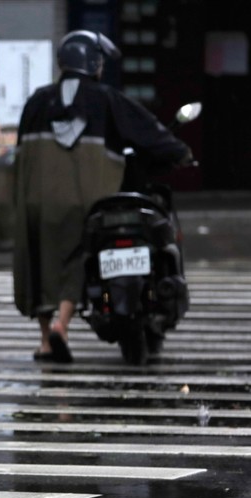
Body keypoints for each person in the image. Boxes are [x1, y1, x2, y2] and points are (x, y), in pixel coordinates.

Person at [12, 30, 191, 363]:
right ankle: (63, 324)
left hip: (37, 202)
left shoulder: (37, 102)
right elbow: (150, 134)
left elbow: (19, 156)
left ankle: (46, 340)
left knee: (39, 260)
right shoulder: (106, 98)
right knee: (79, 255)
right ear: (93, 62)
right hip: (87, 202)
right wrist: (181, 152)